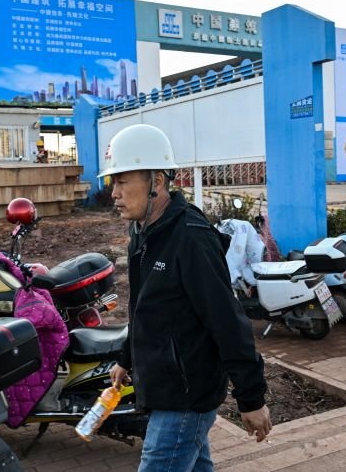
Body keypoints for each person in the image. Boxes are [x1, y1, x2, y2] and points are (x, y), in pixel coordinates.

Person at [101, 124, 270, 472]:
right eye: (112, 182)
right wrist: (126, 358)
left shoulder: (191, 239)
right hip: (165, 387)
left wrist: (251, 398)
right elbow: (145, 309)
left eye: (122, 181)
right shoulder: (143, 233)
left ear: (157, 183)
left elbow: (227, 321)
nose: (113, 193)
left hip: (185, 396)